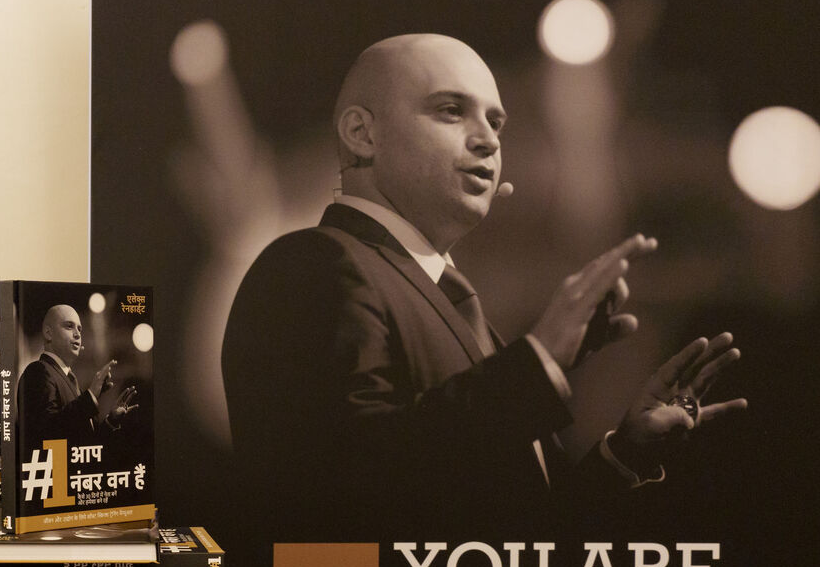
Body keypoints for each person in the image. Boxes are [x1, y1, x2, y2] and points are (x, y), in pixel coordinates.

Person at [221, 33, 746, 534]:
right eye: (451, 110)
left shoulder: (454, 307)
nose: (489, 139)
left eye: (496, 122)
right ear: (362, 133)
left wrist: (623, 453)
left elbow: (514, 530)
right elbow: (356, 483)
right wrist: (539, 361)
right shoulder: (310, 264)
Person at [19, 304, 139, 444]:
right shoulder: (38, 371)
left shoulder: (70, 381)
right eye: (69, 326)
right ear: (48, 333)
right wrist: (91, 396)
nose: (77, 334)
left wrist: (111, 421)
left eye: (80, 329)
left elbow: (86, 443)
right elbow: (49, 434)